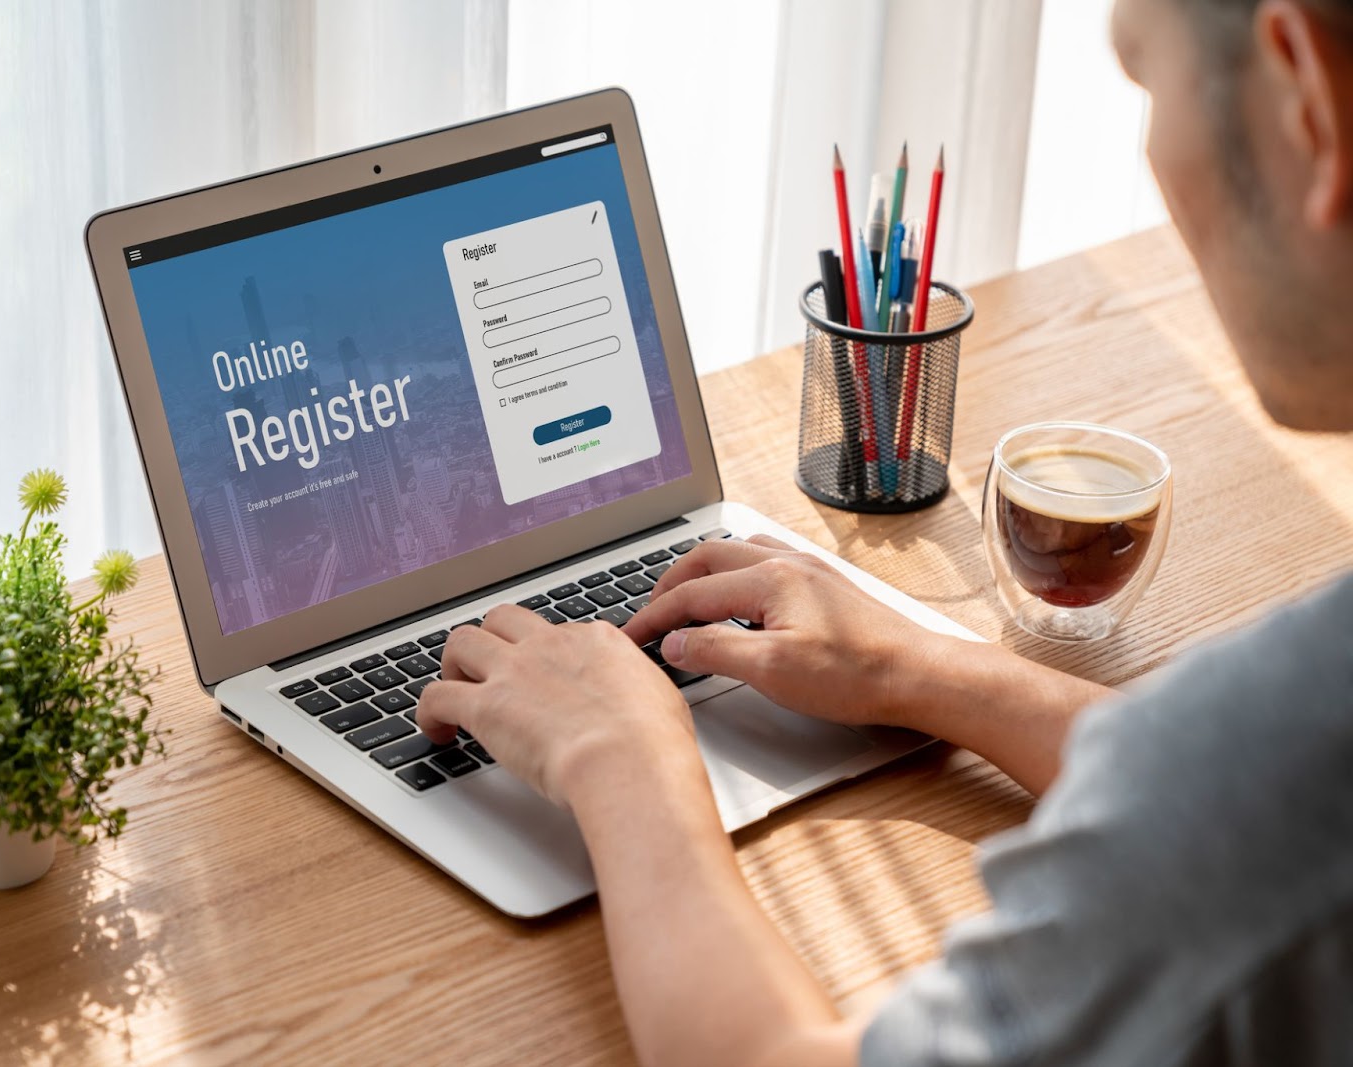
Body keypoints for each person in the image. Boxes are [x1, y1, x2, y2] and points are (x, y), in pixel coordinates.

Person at [416, 0, 1353, 1063]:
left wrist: (619, 758)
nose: (1150, 151)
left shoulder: (1285, 770)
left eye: (1144, 81)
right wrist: (933, 672)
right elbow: (1229, 808)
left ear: (1308, 100)